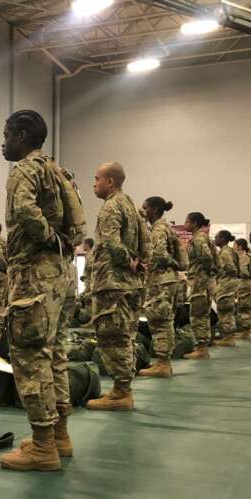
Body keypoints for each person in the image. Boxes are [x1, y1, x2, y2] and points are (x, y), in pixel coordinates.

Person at [0, 109, 71, 470]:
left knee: (29, 356)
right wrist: (60, 242)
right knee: (54, 353)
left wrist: (46, 237)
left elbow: (25, 209)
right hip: (58, 273)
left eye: (7, 134)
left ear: (22, 136)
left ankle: (43, 446)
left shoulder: (24, 169)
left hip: (34, 273)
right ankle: (60, 436)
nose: (3, 142)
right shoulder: (57, 170)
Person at [87, 162, 144, 410]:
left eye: (97, 178)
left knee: (112, 336)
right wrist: (139, 262)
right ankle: (123, 389)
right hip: (129, 283)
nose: (94, 183)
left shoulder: (111, 206)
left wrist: (127, 261)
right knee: (126, 335)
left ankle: (121, 393)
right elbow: (146, 241)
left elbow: (110, 243)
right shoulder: (131, 205)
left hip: (112, 281)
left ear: (110, 182)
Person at [137, 196, 185, 378]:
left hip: (161, 279)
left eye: (145, 208)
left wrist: (167, 262)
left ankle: (162, 363)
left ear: (155, 210)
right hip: (169, 279)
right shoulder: (167, 228)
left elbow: (157, 253)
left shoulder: (158, 229)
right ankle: (164, 362)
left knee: (158, 321)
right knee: (166, 320)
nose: (143, 211)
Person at [183, 212, 215, 359]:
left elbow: (207, 258)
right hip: (204, 280)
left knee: (198, 314)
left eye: (187, 222)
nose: (185, 225)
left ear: (195, 223)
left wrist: (202, 273)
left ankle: (201, 349)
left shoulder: (198, 239)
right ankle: (203, 347)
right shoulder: (203, 237)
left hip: (200, 281)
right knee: (203, 314)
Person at [213, 230, 239, 347]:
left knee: (224, 310)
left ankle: (228, 337)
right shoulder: (230, 251)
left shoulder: (225, 253)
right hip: (228, 283)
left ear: (223, 239)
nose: (215, 239)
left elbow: (231, 268)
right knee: (227, 310)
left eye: (217, 237)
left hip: (226, 284)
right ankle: (228, 336)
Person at [234, 238, 251, 338]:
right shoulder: (248, 256)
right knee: (244, 308)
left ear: (240, 246)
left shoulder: (244, 257)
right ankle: (245, 331)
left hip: (244, 284)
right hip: (245, 284)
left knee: (244, 308)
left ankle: (246, 332)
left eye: (235, 245)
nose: (234, 247)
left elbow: (244, 272)